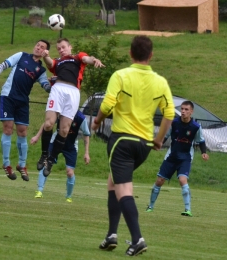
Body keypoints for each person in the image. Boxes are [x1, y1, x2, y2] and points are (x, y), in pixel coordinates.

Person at [91, 35, 175, 256]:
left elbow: (108, 104)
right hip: (144, 145)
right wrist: (159, 139)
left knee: (123, 189)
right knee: (114, 182)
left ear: (130, 53)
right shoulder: (161, 82)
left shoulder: (121, 75)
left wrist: (97, 120)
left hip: (121, 141)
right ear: (151, 55)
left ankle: (138, 239)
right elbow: (169, 115)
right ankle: (111, 235)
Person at [37, 37, 104, 177]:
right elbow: (50, 63)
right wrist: (46, 56)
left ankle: (50, 160)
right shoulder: (58, 61)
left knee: (64, 130)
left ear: (70, 47)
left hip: (73, 93)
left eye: (63, 47)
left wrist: (94, 60)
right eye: (59, 48)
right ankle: (44, 155)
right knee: (49, 124)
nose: (61, 50)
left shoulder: (77, 57)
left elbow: (87, 59)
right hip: (58, 89)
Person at [0, 39, 51, 182]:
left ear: (45, 52)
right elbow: (5, 64)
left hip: (23, 101)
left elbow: (45, 86)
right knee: (8, 129)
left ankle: (22, 165)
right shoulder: (21, 55)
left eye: (42, 47)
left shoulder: (41, 70)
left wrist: (54, 85)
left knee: (23, 131)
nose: (38, 48)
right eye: (37, 45)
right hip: (8, 96)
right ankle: (6, 164)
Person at [146, 101, 209, 217]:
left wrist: (204, 153)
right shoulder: (174, 123)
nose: (183, 112)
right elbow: (165, 136)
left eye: (186, 109)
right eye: (182, 109)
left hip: (185, 158)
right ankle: (150, 206)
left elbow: (201, 141)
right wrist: (158, 144)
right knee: (159, 181)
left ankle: (188, 209)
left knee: (182, 180)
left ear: (191, 111)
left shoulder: (196, 127)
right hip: (171, 156)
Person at [31, 110, 90, 202]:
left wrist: (86, 153)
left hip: (71, 146)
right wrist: (37, 136)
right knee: (46, 163)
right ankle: (39, 191)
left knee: (70, 172)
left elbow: (86, 134)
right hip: (55, 141)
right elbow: (47, 123)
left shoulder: (81, 118)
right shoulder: (61, 112)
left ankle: (68, 196)